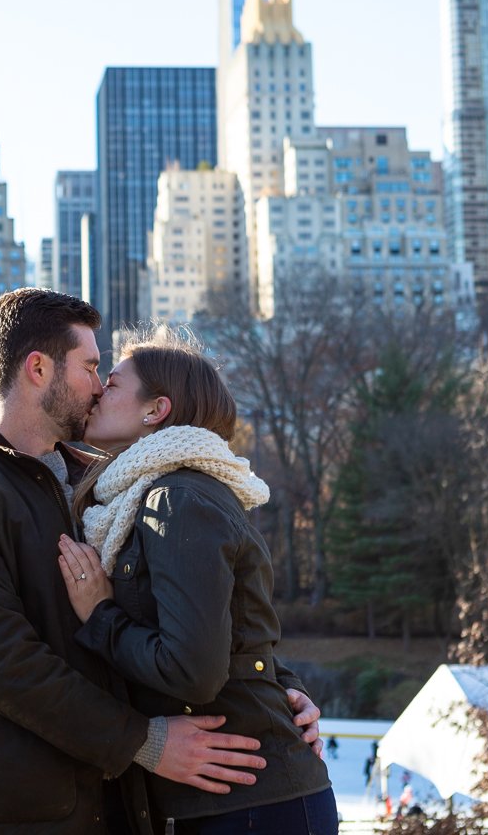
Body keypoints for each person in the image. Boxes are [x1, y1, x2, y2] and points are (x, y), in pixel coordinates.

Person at [0, 290, 323, 835]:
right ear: (38, 369)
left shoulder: (108, 488)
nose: (99, 383)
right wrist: (143, 742)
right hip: (28, 814)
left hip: (131, 807)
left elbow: (193, 607)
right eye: (89, 366)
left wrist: (279, 685)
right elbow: (1, 663)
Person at [56, 326, 338, 834]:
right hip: (218, 801)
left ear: (155, 410)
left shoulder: (178, 499)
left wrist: (101, 616)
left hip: (251, 805)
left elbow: (194, 671)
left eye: (113, 383)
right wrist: (287, 683)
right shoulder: (134, 497)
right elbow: (235, 628)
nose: (99, 391)